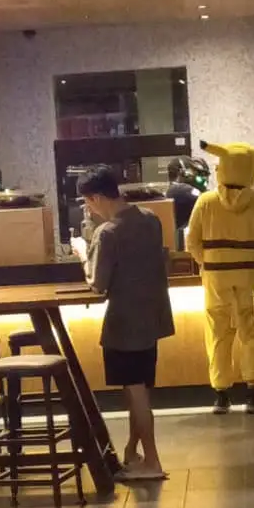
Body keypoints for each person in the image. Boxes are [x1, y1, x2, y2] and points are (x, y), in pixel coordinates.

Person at [71, 166, 174, 480]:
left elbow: (98, 283)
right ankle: (133, 451)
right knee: (138, 390)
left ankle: (153, 462)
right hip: (151, 318)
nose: (88, 208)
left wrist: (81, 252)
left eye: (88, 202)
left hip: (125, 323)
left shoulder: (108, 232)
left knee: (135, 393)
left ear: (98, 197)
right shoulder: (150, 220)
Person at [187, 140, 254, 414]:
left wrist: (207, 261)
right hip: (251, 278)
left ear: (222, 169)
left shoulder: (205, 203)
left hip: (216, 281)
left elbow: (192, 241)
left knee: (218, 334)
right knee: (251, 333)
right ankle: (253, 392)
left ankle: (221, 394)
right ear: (253, 171)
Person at [166, 156, 210, 230]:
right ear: (184, 173)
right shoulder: (180, 189)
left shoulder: (175, 189)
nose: (196, 174)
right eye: (194, 171)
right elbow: (208, 203)